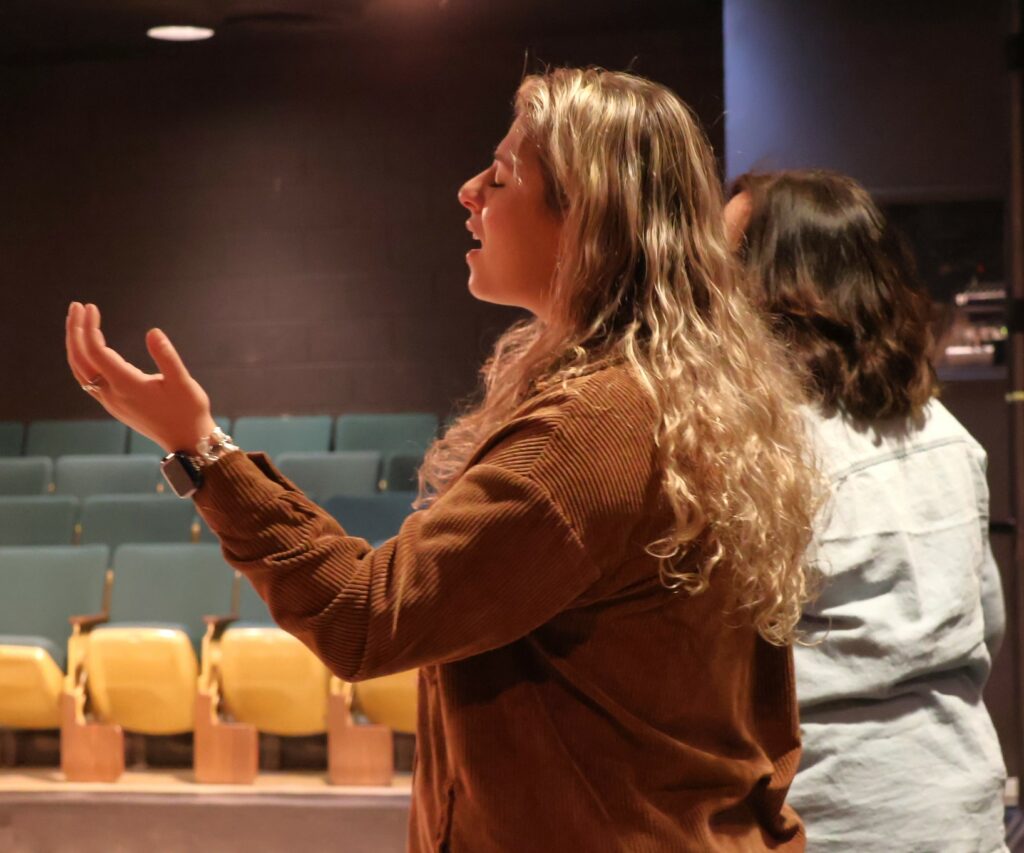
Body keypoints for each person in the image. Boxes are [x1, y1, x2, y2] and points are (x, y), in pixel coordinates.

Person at [67, 68, 821, 851]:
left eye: (500, 175)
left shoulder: (590, 431)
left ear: (587, 217)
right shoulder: (688, 401)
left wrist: (201, 450)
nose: (468, 191)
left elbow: (362, 617)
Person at [726, 170, 1008, 852]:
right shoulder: (945, 432)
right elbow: (987, 624)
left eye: (723, 259)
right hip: (958, 805)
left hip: (830, 818)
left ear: (777, 286)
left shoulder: (761, 450)